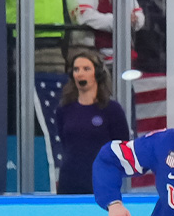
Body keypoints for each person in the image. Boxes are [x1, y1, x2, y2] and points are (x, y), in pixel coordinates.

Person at [55, 50, 129, 195]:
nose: (80, 73)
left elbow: (123, 147)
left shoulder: (112, 110)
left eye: (86, 69)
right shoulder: (64, 109)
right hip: (69, 180)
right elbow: (65, 143)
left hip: (102, 181)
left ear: (97, 74)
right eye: (76, 69)